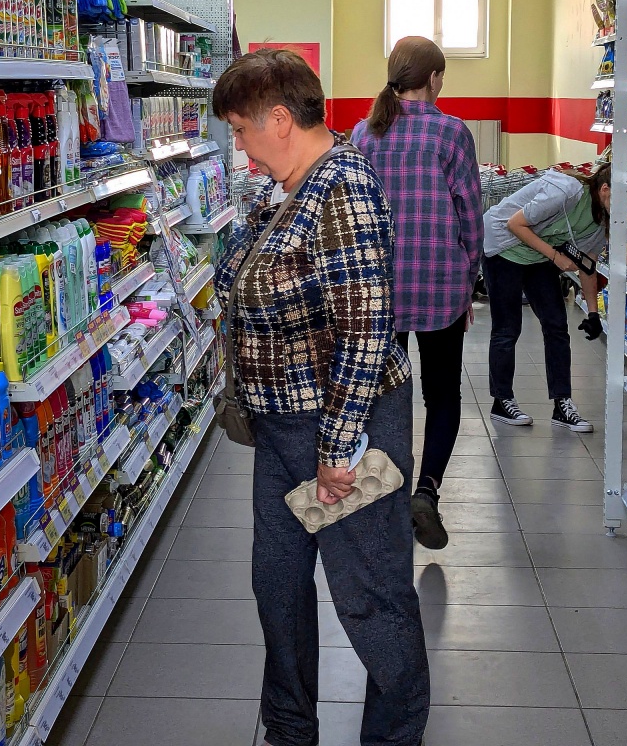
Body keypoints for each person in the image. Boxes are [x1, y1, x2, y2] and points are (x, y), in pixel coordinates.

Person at [213, 48, 429, 746]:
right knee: (277, 587)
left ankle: (394, 735)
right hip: (283, 430)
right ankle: (289, 728)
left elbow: (366, 329)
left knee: (370, 594)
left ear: (280, 120)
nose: (239, 147)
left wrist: (338, 450)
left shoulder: (342, 188)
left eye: (242, 130)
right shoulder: (294, 186)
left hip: (343, 427)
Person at [351, 35, 483, 552]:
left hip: (381, 291)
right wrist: (470, 279)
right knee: (442, 395)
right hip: (440, 288)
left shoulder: (365, 132)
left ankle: (386, 493)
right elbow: (470, 215)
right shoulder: (451, 133)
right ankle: (426, 492)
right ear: (432, 79)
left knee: (385, 396)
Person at [483, 163, 620, 430]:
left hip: (538, 256)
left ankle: (562, 404)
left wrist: (593, 313)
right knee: (507, 329)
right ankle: (502, 400)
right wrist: (555, 256)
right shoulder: (566, 192)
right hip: (504, 249)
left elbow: (587, 264)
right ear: (605, 189)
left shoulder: (602, 220)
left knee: (557, 326)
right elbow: (515, 224)